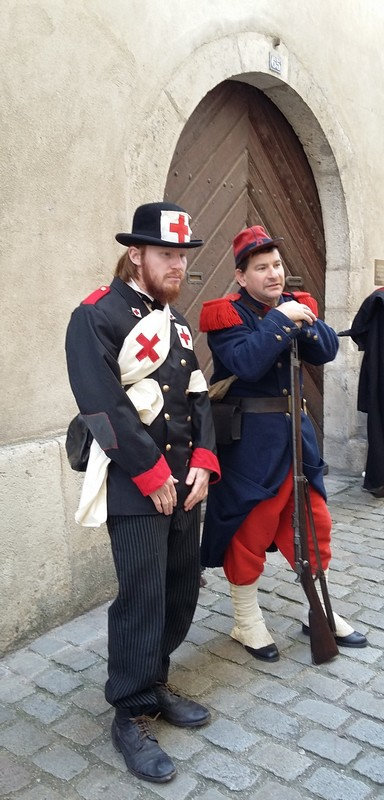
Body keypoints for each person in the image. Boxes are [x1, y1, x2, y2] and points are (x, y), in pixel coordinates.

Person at [65, 202, 220, 784]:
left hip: (187, 482)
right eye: (167, 255)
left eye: (183, 255)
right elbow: (102, 404)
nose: (179, 265)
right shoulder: (97, 316)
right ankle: (129, 713)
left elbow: (201, 398)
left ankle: (153, 679)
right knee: (141, 595)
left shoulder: (176, 324)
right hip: (136, 484)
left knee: (181, 589)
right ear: (137, 254)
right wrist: (153, 475)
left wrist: (203, 462)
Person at [199, 224, 367, 663]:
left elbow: (326, 350)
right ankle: (245, 619)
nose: (273, 274)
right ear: (241, 275)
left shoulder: (296, 305)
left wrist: (298, 319)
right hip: (250, 442)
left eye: (276, 265)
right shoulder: (227, 314)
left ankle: (321, 608)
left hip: (297, 437)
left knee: (315, 524)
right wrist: (279, 321)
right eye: (261, 268)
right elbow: (246, 364)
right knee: (250, 529)